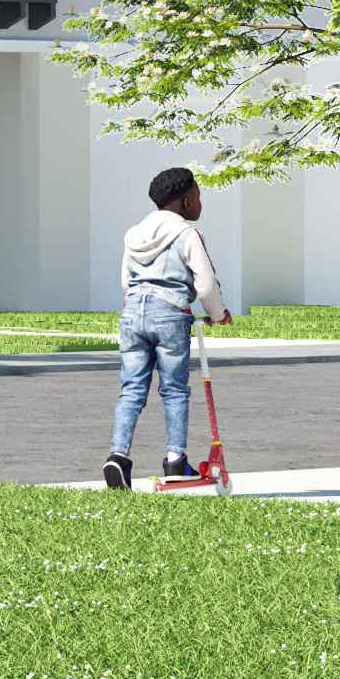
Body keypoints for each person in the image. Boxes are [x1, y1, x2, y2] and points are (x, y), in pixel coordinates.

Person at [105, 163, 231, 490]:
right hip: (169, 312)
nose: (200, 204)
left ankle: (118, 456)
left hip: (132, 313)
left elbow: (125, 281)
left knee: (131, 388)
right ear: (185, 201)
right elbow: (205, 285)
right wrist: (218, 315)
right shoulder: (187, 233)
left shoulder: (134, 234)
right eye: (198, 196)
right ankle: (175, 459)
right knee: (174, 388)